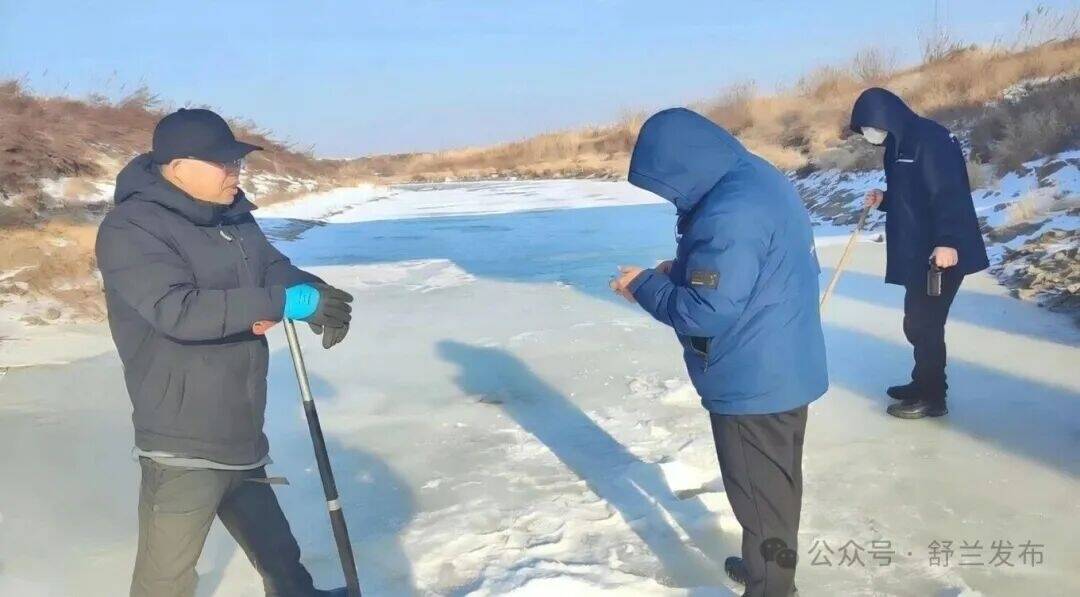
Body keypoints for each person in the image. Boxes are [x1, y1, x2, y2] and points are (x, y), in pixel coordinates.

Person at [96, 108, 354, 597]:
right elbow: (179, 310)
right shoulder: (132, 230)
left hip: (238, 420)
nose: (234, 172)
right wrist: (278, 302)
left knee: (280, 555)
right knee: (165, 580)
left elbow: (272, 268)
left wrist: (310, 291)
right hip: (182, 435)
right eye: (221, 162)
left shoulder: (232, 217)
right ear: (175, 167)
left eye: (236, 161)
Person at [610, 108, 828, 597]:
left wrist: (642, 285)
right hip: (783, 361)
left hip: (753, 382)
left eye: (664, 185)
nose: (668, 197)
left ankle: (771, 586)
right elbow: (743, 268)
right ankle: (764, 567)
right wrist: (681, 266)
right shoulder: (751, 177)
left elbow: (705, 311)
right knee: (774, 490)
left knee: (760, 499)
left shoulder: (730, 211)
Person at [850, 88, 989, 420]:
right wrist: (885, 200)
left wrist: (949, 241)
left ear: (886, 115)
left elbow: (948, 192)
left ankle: (932, 397)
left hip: (941, 252)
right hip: (917, 250)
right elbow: (909, 194)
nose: (869, 134)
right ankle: (921, 383)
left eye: (870, 125)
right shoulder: (896, 146)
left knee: (925, 323)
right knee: (916, 322)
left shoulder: (932, 140)